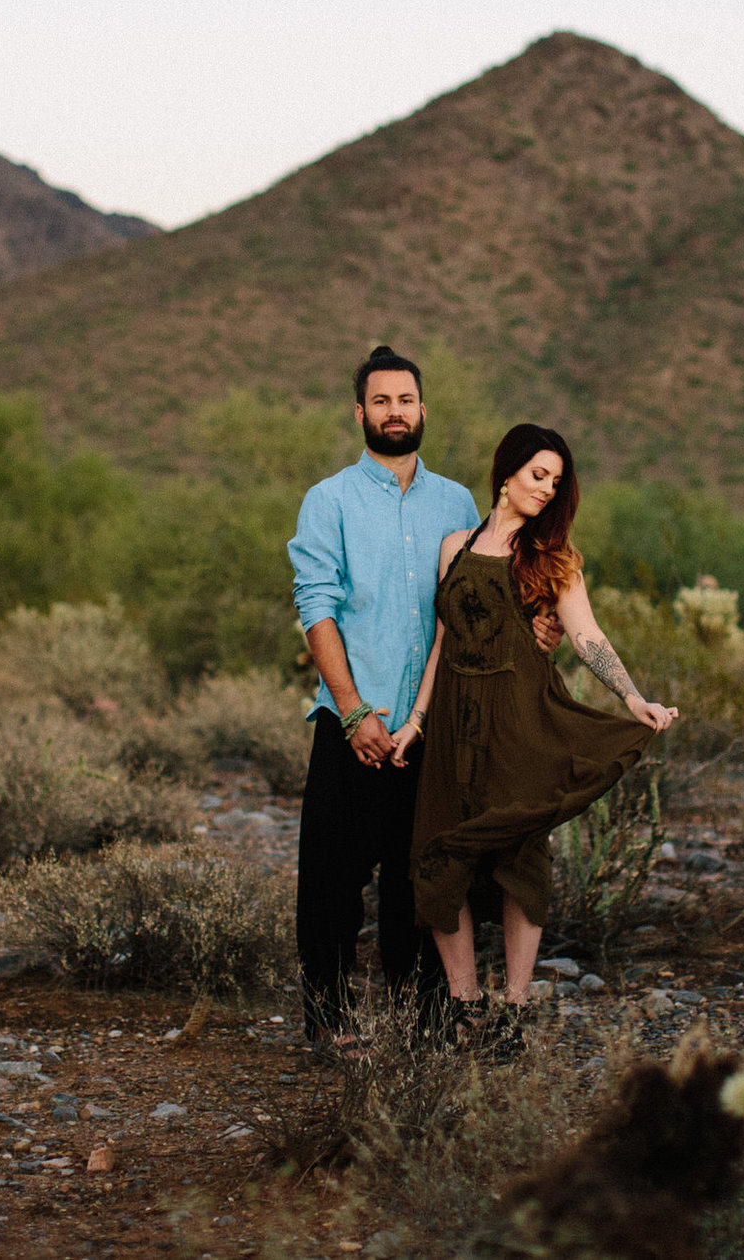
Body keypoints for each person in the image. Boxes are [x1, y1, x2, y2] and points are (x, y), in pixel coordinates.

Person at [287, 346, 560, 1051]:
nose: (395, 412)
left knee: (430, 881)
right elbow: (317, 608)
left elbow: (480, 606)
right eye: (381, 401)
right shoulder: (329, 501)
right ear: (360, 414)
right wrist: (353, 710)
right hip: (353, 720)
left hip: (438, 732)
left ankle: (427, 1020)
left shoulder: (458, 503)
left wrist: (539, 629)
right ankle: (330, 1021)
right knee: (331, 883)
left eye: (405, 400)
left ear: (422, 408)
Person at [392, 423, 677, 1031]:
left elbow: (587, 635)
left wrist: (632, 698)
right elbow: (443, 640)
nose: (547, 489)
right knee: (440, 854)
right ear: (507, 472)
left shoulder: (553, 560)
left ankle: (514, 1011)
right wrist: (416, 720)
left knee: (520, 856)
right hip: (452, 724)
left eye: (556, 480)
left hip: (520, 717)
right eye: (537, 474)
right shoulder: (455, 547)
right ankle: (465, 1005)